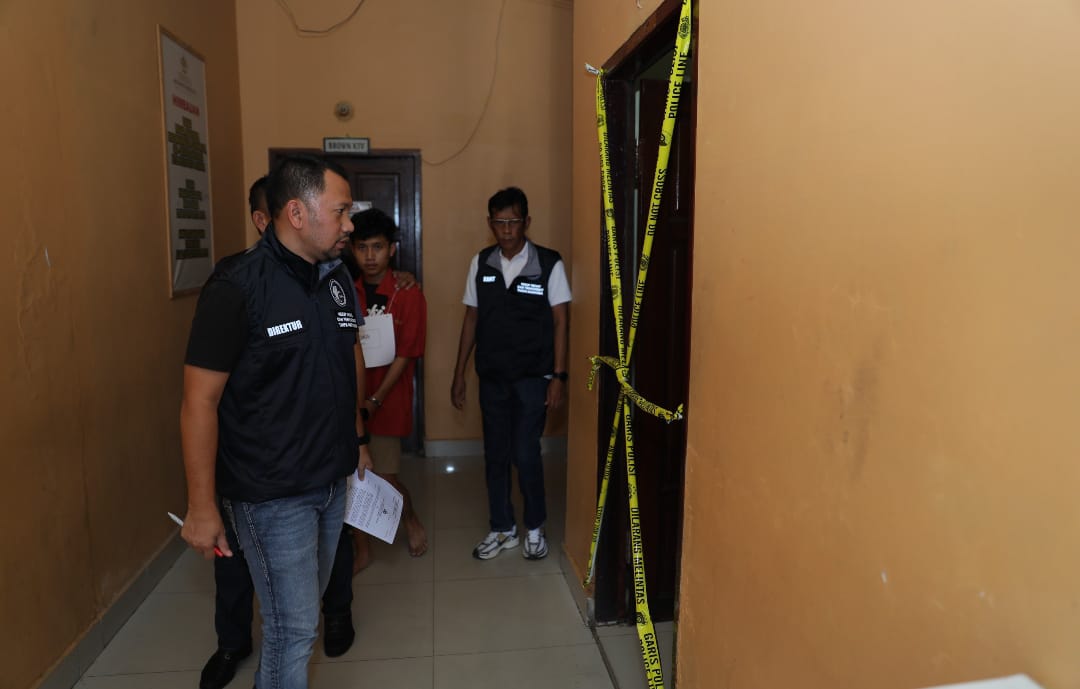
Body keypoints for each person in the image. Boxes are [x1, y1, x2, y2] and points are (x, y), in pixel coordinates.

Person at [181, 155, 373, 689]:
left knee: (299, 619)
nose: (350, 225)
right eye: (340, 212)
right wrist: (201, 506)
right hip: (272, 494)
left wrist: (358, 438)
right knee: (293, 631)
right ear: (296, 213)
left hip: (330, 482)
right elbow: (199, 401)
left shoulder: (336, 279)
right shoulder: (237, 287)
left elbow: (343, 367)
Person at [450, 187, 570, 561]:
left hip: (534, 378)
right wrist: (458, 373)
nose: (506, 230)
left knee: (525, 452)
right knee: (496, 454)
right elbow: (471, 319)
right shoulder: (481, 263)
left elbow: (560, 321)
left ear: (526, 222)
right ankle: (503, 528)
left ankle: (534, 526)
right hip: (493, 377)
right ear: (490, 224)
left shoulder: (548, 263)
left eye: (513, 221)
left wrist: (559, 377)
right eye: (499, 222)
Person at [346, 208, 429, 566]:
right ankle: (362, 549)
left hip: (388, 397)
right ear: (351, 249)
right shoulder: (345, 290)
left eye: (377, 247)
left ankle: (410, 518)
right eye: (362, 247)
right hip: (350, 399)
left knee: (385, 476)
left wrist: (376, 399)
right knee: (352, 477)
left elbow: (408, 352)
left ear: (391, 249)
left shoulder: (407, 293)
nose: (370, 256)